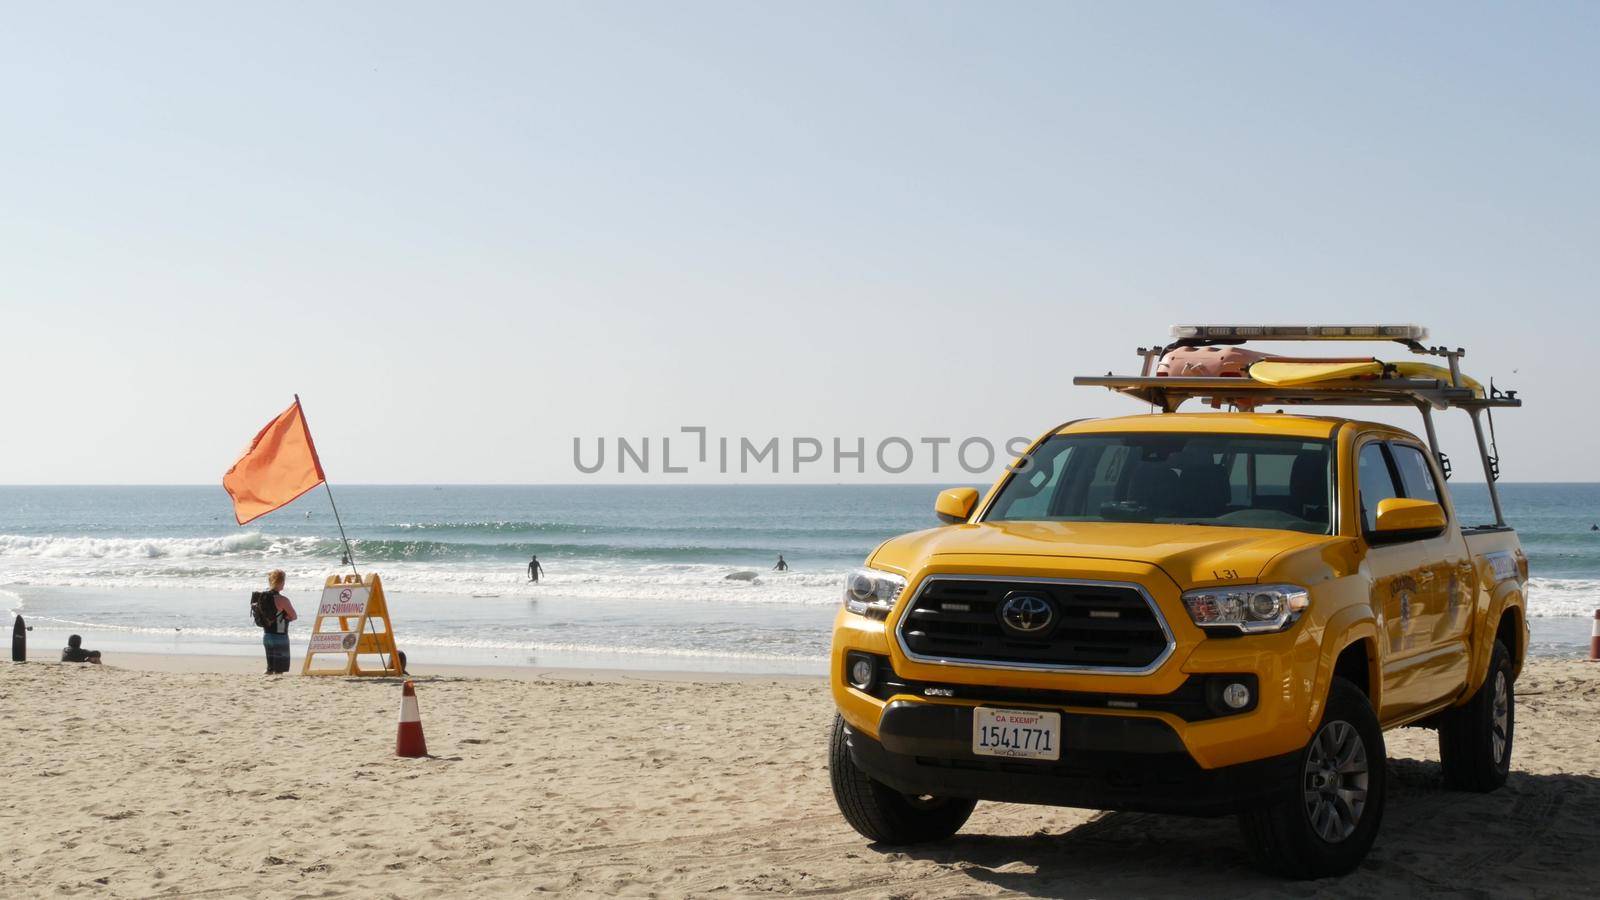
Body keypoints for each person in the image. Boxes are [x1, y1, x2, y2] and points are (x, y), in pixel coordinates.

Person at [259, 569, 298, 674]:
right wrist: (287, 617)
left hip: (267, 635)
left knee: (270, 668)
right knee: (279, 669)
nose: (284, 584)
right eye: (283, 581)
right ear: (280, 582)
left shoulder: (262, 597)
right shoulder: (282, 599)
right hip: (280, 636)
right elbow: (294, 616)